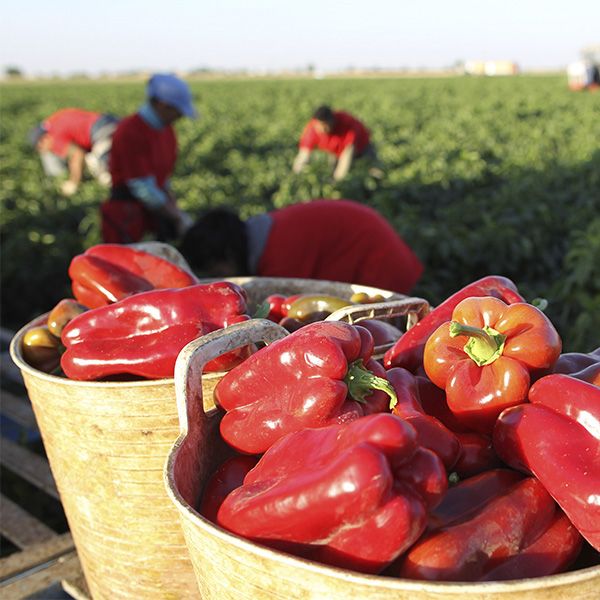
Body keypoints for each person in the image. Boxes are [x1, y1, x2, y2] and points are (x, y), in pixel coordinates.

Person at [179, 199, 423, 294]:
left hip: (380, 263)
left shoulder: (278, 254)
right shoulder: (265, 235)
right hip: (374, 246)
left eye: (217, 268)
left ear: (227, 253)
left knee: (384, 336)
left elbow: (294, 307)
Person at [100, 73, 197, 244]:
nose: (180, 116)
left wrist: (174, 208)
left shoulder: (166, 131)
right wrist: (176, 217)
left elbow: (163, 178)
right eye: (178, 110)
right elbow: (142, 187)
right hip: (127, 214)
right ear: (163, 105)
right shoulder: (131, 130)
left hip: (152, 211)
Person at [29, 109, 119, 196]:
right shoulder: (53, 122)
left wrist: (73, 182)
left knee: (103, 171)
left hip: (104, 129)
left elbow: (78, 154)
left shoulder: (54, 138)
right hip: (110, 121)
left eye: (40, 148)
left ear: (43, 140)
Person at [292, 105, 380, 181]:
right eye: (320, 125)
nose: (322, 129)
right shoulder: (312, 129)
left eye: (325, 125)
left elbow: (347, 154)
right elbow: (303, 154)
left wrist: (338, 180)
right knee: (333, 171)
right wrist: (296, 174)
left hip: (362, 148)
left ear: (332, 120)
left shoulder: (346, 123)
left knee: (371, 170)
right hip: (336, 152)